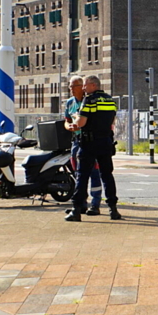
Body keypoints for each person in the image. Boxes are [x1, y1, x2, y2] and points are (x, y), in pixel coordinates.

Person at [64, 76, 120, 222]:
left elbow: (81, 123)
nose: (83, 88)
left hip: (89, 143)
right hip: (106, 142)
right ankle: (113, 209)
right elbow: (112, 121)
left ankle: (76, 210)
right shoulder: (110, 100)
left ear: (94, 85)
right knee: (107, 175)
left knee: (82, 176)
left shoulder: (88, 100)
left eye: (85, 85)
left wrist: (77, 117)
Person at [64, 76, 103, 215]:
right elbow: (66, 120)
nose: (71, 89)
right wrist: (69, 127)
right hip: (76, 140)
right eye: (70, 86)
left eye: (74, 86)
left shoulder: (90, 101)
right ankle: (81, 203)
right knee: (78, 173)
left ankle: (96, 204)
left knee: (94, 172)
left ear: (82, 87)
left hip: (90, 141)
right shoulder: (69, 103)